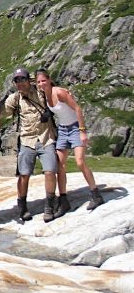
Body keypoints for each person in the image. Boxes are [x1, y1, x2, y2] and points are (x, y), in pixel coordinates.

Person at [35, 69, 104, 214]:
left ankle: (95, 194)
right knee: (60, 165)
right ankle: (63, 199)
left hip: (74, 128)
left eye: (43, 80)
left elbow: (77, 109)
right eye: (39, 81)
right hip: (63, 130)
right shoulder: (44, 95)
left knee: (80, 162)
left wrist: (82, 131)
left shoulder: (59, 92)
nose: (41, 84)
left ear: (49, 80)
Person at [4, 67, 58, 222]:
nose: (20, 83)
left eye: (22, 79)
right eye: (16, 80)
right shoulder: (15, 99)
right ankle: (22, 207)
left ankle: (49, 206)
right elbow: (2, 111)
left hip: (46, 138)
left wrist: (50, 112)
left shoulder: (41, 92)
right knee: (24, 174)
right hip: (27, 140)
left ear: (29, 80)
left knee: (50, 171)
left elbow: (54, 96)